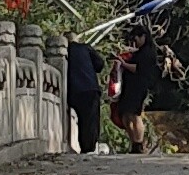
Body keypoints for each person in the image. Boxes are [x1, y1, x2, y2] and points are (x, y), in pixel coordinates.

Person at [112, 24, 165, 154]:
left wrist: (123, 64)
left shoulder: (148, 52)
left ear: (143, 37)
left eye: (136, 39)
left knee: (135, 115)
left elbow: (138, 68)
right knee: (125, 115)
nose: (135, 42)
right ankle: (134, 142)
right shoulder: (139, 52)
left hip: (138, 87)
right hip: (129, 87)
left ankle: (139, 143)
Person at [64, 35, 107, 155]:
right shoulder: (85, 48)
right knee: (90, 120)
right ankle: (88, 148)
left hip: (73, 91)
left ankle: (84, 146)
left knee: (81, 119)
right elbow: (100, 64)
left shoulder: (66, 51)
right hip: (89, 88)